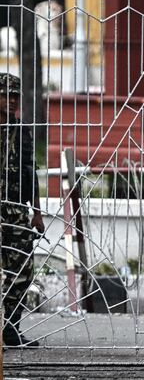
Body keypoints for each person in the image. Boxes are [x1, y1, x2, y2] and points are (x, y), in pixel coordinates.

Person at [0, 73, 45, 347]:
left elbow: (31, 171)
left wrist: (37, 212)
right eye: (6, 94)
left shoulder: (21, 130)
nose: (12, 100)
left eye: (15, 95)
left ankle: (9, 328)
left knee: (23, 270)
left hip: (15, 210)